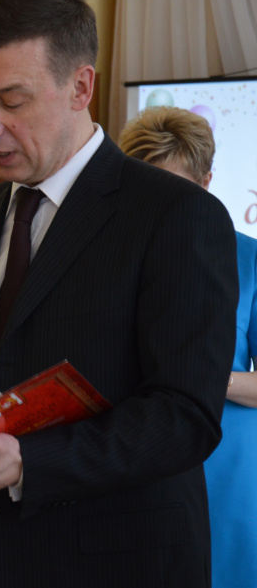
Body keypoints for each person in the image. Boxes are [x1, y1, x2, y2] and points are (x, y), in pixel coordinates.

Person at [0, 0, 238, 588]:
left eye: (11, 101)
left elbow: (185, 416)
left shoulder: (175, 215)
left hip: (109, 565)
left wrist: (27, 464)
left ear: (80, 88)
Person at [118, 105, 257, 588]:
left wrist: (203, 377)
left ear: (206, 184)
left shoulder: (249, 259)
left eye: (174, 190)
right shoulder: (107, 258)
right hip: (132, 460)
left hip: (227, 470)